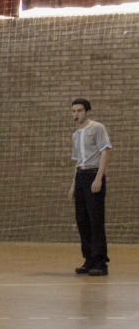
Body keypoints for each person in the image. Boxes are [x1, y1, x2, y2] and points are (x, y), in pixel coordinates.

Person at [70, 99, 111, 276]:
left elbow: (105, 151)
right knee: (82, 220)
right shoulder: (76, 134)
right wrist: (73, 185)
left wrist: (98, 178)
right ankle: (89, 259)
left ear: (88, 112)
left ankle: (101, 262)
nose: (76, 114)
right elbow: (78, 161)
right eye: (73, 111)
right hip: (80, 177)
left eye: (79, 111)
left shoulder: (97, 128)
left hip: (93, 175)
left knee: (95, 220)